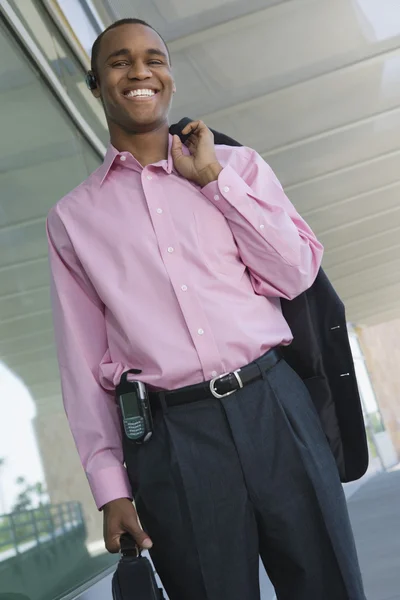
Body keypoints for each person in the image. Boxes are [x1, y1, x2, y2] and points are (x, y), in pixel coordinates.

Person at [46, 18, 366, 600]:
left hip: (275, 404)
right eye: (119, 62)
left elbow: (295, 272)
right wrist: (110, 486)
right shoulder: (74, 219)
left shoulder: (236, 167)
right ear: (95, 84)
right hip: (173, 438)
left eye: (154, 59)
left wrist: (214, 182)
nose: (140, 71)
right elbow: (81, 365)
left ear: (168, 76)